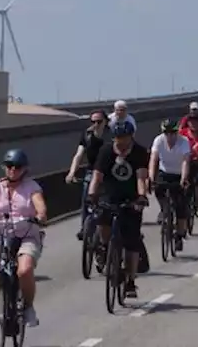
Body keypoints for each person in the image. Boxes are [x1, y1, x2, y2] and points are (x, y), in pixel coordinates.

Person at [0, 149, 48, 327]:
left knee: (24, 270)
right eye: (9, 166)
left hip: (27, 234)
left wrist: (41, 216)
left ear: (25, 169)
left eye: (17, 167)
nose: (13, 170)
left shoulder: (32, 187)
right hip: (3, 232)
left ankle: (29, 307)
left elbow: (40, 206)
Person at [88, 121, 150, 300]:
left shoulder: (138, 152)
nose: (120, 142)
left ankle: (130, 281)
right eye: (117, 138)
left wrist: (141, 197)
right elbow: (97, 176)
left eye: (124, 138)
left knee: (131, 241)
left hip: (130, 199)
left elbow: (141, 178)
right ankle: (107, 249)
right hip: (110, 195)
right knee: (102, 223)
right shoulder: (106, 151)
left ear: (131, 137)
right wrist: (92, 195)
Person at [149, 119, 191, 252]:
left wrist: (184, 178)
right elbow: (153, 159)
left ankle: (179, 235)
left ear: (176, 132)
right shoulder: (158, 140)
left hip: (179, 173)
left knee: (180, 206)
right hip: (164, 171)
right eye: (166, 133)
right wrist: (151, 177)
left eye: (172, 133)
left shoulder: (184, 141)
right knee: (158, 189)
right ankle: (164, 209)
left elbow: (185, 161)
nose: (169, 136)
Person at [66, 110, 109, 240]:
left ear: (105, 121)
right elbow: (79, 155)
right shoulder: (87, 135)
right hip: (92, 171)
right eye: (93, 122)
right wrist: (72, 172)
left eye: (99, 121)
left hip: (108, 172)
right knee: (86, 197)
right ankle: (84, 227)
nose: (96, 124)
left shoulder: (112, 134)